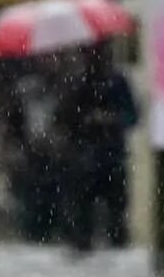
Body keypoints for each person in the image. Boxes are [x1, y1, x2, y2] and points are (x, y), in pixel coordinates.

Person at [58, 44, 139, 251]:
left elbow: (131, 116)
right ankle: (85, 243)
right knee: (83, 211)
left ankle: (115, 246)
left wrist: (108, 119)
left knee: (116, 212)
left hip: (110, 155)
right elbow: (66, 118)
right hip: (85, 155)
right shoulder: (77, 82)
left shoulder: (117, 82)